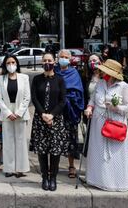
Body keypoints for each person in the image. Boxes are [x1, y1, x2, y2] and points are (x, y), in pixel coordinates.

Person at [84, 59, 128, 191]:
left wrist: (116, 107)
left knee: (115, 152)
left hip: (115, 122)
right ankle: (97, 179)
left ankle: (116, 182)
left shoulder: (123, 86)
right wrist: (89, 108)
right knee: (98, 151)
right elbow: (92, 99)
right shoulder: (99, 83)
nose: (102, 73)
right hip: (98, 122)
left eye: (105, 71)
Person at [30, 52, 68, 191]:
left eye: (49, 60)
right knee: (42, 150)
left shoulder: (60, 80)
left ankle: (53, 178)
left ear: (54, 62)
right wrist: (43, 115)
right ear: (41, 62)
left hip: (56, 119)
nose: (47, 62)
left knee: (55, 150)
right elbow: (34, 98)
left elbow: (63, 100)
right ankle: (44, 177)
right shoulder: (36, 79)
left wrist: (51, 115)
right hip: (40, 120)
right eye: (45, 60)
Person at [0, 55, 31, 178]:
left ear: (17, 63)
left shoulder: (24, 78)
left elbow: (27, 97)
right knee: (8, 141)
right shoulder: (1, 79)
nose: (11, 65)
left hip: (20, 112)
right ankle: (9, 168)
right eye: (8, 63)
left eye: (13, 62)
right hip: (7, 113)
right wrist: (8, 113)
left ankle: (21, 169)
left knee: (21, 141)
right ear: (5, 65)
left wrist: (18, 112)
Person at [55, 49, 84, 179]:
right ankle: (53, 165)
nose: (64, 59)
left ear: (70, 59)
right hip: (55, 110)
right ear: (57, 58)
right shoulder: (54, 71)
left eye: (66, 57)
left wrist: (68, 99)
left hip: (69, 110)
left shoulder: (74, 73)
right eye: (61, 57)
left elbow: (78, 92)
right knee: (54, 138)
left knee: (71, 138)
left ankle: (71, 165)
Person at [81, 54, 102, 156]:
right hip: (90, 111)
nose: (92, 62)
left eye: (95, 60)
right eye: (90, 61)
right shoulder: (86, 77)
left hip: (103, 112)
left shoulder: (106, 77)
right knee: (90, 135)